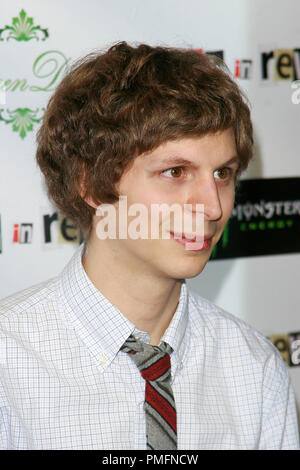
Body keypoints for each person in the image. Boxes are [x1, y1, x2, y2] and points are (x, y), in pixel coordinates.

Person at [0, 41, 299, 450]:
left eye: (223, 173)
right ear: (90, 183)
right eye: (176, 171)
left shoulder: (253, 366)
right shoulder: (8, 364)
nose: (212, 207)